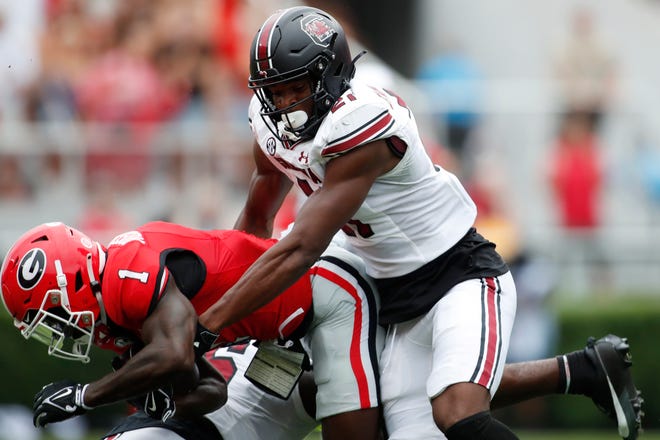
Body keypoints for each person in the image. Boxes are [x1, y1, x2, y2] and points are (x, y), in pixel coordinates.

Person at [198, 6, 642, 440]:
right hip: (389, 295)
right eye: (273, 91)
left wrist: (210, 324)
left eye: (294, 88)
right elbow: (255, 223)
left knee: (458, 412)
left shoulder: (359, 123)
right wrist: (223, 300)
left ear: (331, 76)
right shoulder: (270, 124)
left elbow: (303, 247)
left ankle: (585, 370)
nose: (282, 104)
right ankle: (586, 369)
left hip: (458, 276)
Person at [0, 220, 383, 440]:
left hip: (323, 291)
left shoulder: (124, 268)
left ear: (74, 281)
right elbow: (211, 391)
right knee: (317, 395)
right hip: (284, 335)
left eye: (52, 316)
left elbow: (174, 353)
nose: (58, 331)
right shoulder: (118, 321)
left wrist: (87, 395)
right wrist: (169, 405)